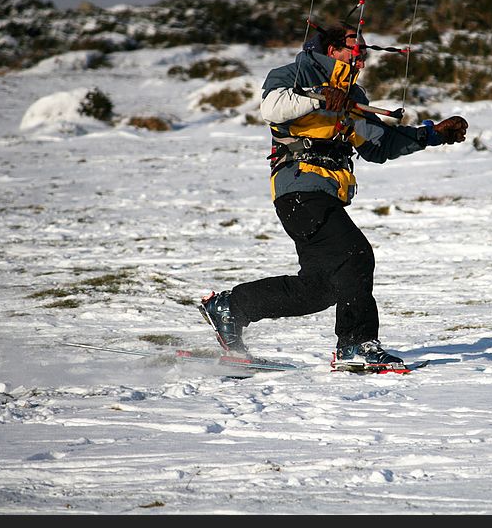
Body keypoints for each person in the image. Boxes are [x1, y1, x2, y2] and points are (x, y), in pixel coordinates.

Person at [199, 23, 468, 366]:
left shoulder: (354, 97)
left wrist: (432, 135)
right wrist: (320, 95)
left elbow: (379, 145)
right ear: (332, 50)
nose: (362, 61)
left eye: (365, 55)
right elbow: (272, 109)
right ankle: (356, 344)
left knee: (322, 288)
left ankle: (229, 307)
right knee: (356, 256)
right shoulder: (294, 74)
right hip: (299, 190)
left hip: (324, 194)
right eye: (357, 52)